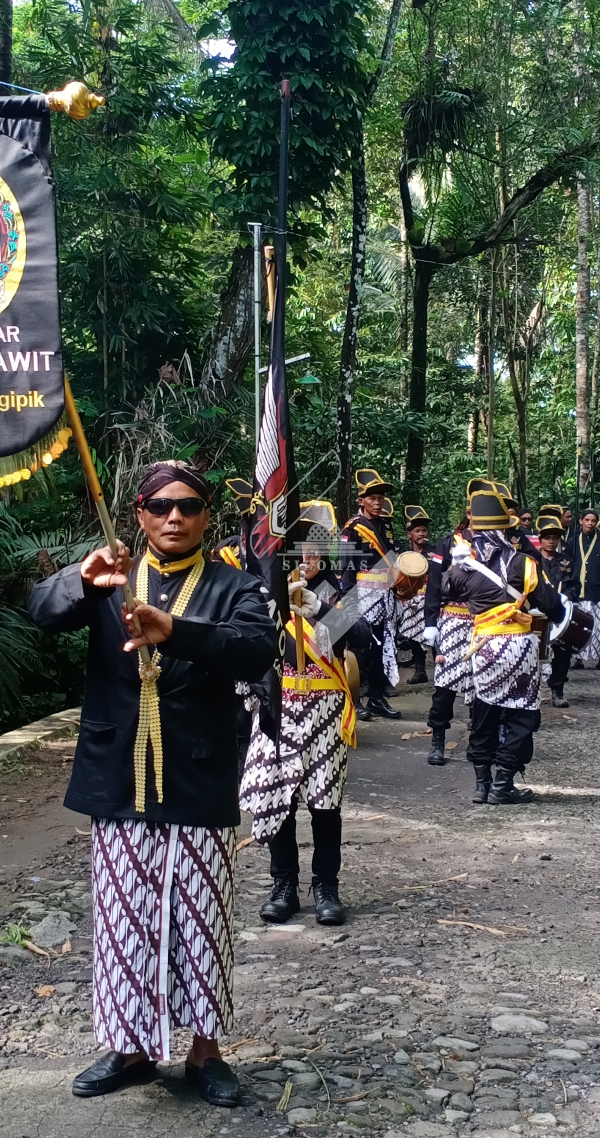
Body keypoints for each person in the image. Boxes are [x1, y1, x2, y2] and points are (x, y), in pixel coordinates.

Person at [28, 460, 281, 1105]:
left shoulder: (235, 585)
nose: (175, 517)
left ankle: (205, 1052)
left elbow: (256, 649)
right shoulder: (109, 580)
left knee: (201, 917)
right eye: (162, 506)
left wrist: (177, 633)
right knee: (123, 920)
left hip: (198, 771)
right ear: (139, 513)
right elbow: (40, 613)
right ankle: (131, 1048)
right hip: (118, 773)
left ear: (206, 516)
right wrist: (77, 581)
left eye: (189, 506)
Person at [241, 503, 355, 927]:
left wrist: (319, 608)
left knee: (326, 804)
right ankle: (283, 884)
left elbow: (363, 636)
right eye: (298, 550)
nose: (307, 557)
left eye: (314, 549)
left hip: (326, 708)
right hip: (281, 706)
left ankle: (326, 886)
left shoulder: (338, 592)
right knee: (280, 799)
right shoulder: (267, 593)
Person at [438, 488, 567, 804]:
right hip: (519, 648)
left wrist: (456, 567)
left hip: (483, 647)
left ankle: (482, 785)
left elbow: (444, 589)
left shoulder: (465, 566)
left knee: (484, 713)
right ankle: (503, 783)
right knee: (522, 714)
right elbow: (551, 605)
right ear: (506, 529)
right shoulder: (523, 563)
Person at [422, 477, 498, 765]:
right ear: (469, 514)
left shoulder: (498, 546)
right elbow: (433, 583)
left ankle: (479, 741)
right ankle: (438, 737)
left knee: (483, 682)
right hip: (453, 619)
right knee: (445, 682)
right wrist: (430, 622)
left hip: (486, 621)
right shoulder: (449, 542)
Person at [339, 468, 401, 720]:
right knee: (360, 649)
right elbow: (347, 566)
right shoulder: (352, 528)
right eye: (372, 498)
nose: (378, 503)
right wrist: (349, 601)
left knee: (381, 649)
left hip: (385, 597)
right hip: (362, 596)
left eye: (381, 498)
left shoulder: (386, 526)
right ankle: (353, 699)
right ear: (361, 501)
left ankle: (377, 697)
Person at [569, 505, 600, 671]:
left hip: (597, 591)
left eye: (593, 521)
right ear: (581, 521)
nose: (590, 523)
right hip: (577, 591)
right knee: (578, 627)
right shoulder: (573, 542)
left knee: (599, 628)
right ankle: (578, 660)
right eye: (587, 520)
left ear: (597, 523)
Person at [535, 508, 572, 707]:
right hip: (536, 614)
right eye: (548, 538)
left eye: (555, 538)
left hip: (559, 613)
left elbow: (575, 585)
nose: (551, 541)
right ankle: (531, 690)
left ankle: (557, 690)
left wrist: (567, 598)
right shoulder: (531, 561)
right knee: (533, 652)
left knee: (562, 652)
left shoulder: (567, 561)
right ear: (540, 539)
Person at [397, 503, 432, 684]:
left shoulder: (435, 551)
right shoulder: (402, 553)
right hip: (409, 599)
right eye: (417, 531)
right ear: (409, 534)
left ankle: (441, 670)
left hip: (431, 598)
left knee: (435, 634)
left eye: (424, 530)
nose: (421, 534)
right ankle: (420, 671)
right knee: (412, 633)